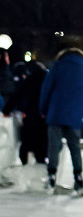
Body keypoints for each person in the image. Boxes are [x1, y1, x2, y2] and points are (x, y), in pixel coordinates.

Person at [39, 47, 83, 194]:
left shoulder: (57, 66)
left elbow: (47, 88)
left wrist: (43, 109)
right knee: (74, 146)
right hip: (75, 113)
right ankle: (78, 177)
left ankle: (51, 176)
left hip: (56, 111)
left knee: (54, 146)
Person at [2, 58, 48, 165]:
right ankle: (41, 162)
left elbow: (18, 95)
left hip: (32, 113)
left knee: (26, 140)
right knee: (42, 141)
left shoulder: (32, 79)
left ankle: (25, 164)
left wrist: (6, 110)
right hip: (45, 115)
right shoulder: (48, 78)